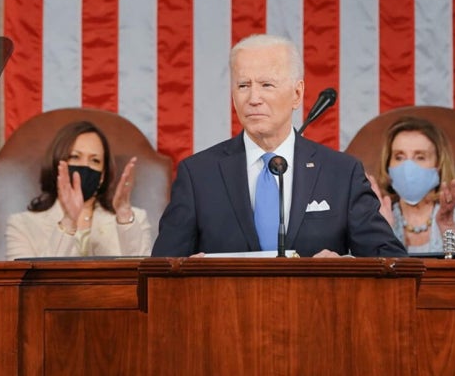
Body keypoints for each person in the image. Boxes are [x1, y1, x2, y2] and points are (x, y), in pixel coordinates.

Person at [151, 34, 407, 258]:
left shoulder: (341, 173)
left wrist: (345, 267)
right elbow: (160, 271)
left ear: (297, 94)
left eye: (266, 85)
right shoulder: (198, 175)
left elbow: (390, 261)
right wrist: (187, 273)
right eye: (243, 86)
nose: (253, 98)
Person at [5, 120, 153, 259]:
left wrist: (124, 214)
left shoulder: (134, 220)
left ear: (102, 175)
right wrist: (68, 221)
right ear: (58, 164)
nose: (85, 166)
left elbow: (145, 278)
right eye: (75, 157)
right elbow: (24, 284)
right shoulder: (22, 225)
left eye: (95, 160)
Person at [368, 116, 455, 253]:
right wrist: (382, 232)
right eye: (399, 157)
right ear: (388, 164)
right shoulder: (374, 220)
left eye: (420, 157)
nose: (408, 167)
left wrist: (449, 230)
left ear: (439, 165)